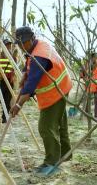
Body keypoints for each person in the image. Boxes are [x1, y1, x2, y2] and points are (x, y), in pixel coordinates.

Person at [10, 26, 72, 176]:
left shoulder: (39, 57)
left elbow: (30, 86)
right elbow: (28, 63)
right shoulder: (37, 47)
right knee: (59, 124)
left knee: (45, 127)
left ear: (32, 38)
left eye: (24, 42)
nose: (22, 46)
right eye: (19, 44)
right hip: (62, 86)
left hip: (56, 92)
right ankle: (65, 155)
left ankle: (52, 163)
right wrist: (25, 72)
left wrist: (18, 105)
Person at [80, 52, 97, 123]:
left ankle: (96, 115)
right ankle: (87, 112)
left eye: (96, 57)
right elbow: (82, 75)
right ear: (91, 58)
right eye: (94, 57)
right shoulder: (86, 64)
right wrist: (84, 77)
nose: (96, 58)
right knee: (88, 100)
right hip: (90, 85)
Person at [0, 39, 17, 123]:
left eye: (9, 45)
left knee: (8, 98)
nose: (8, 46)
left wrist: (13, 76)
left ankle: (5, 116)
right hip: (3, 80)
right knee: (2, 98)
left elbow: (14, 69)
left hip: (10, 80)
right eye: (7, 45)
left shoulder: (13, 57)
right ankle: (4, 115)